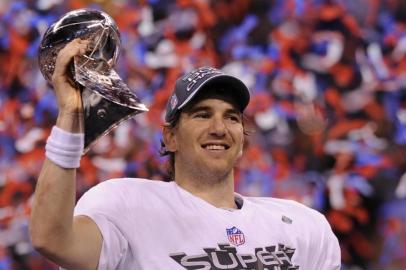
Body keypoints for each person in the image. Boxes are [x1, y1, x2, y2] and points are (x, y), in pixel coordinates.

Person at [29, 38, 341, 270]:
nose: (219, 127)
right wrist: (71, 114)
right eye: (202, 115)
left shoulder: (301, 226)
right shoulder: (127, 204)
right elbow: (52, 239)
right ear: (171, 137)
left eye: (232, 117)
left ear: (242, 140)